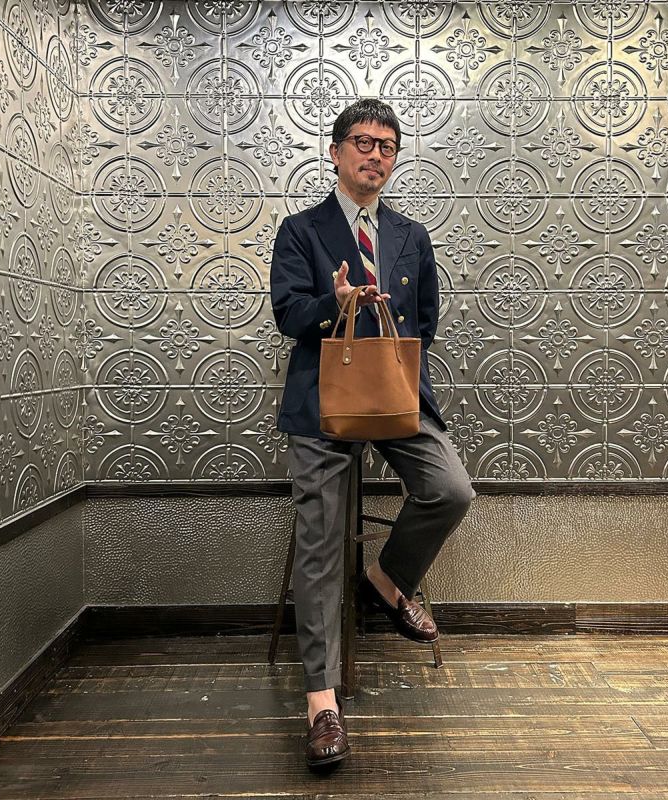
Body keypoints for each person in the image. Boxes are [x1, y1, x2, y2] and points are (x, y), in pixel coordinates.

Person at [270, 99, 474, 770]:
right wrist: (333, 304)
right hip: (322, 403)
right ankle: (321, 703)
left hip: (394, 395)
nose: (375, 155)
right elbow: (287, 315)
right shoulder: (301, 230)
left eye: (386, 146)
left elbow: (426, 321)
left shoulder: (411, 235)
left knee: (450, 489)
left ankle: (385, 580)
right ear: (336, 153)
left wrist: (390, 369)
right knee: (320, 544)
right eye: (362, 142)